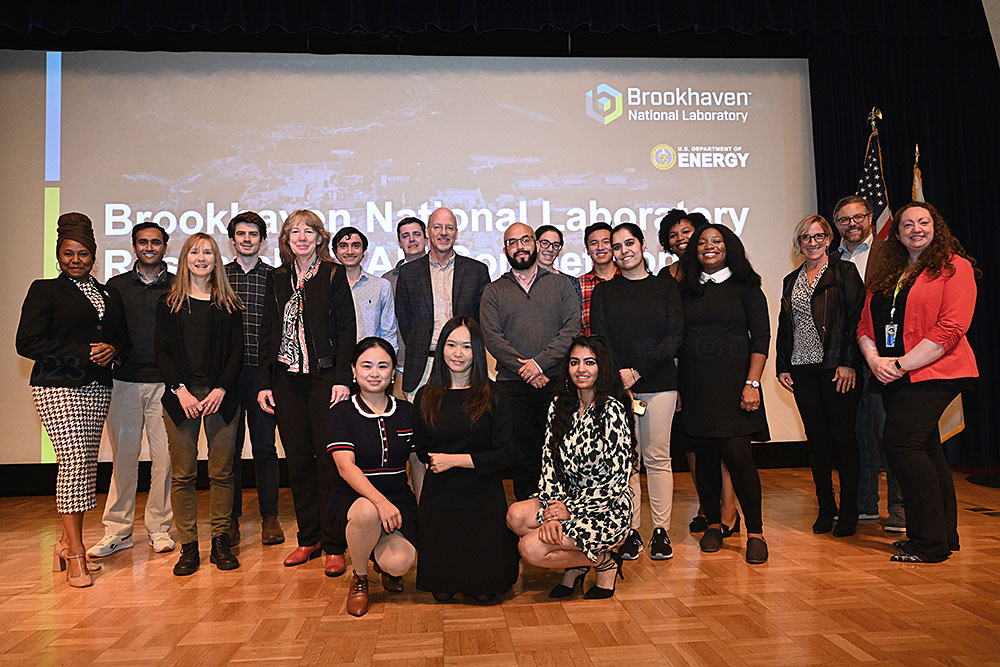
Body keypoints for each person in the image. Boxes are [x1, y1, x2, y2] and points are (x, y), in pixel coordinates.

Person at [858, 201, 979, 563]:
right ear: (896, 234)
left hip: (935, 371)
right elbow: (865, 325)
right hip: (894, 373)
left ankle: (928, 543)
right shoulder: (889, 272)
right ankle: (944, 536)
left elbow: (952, 327)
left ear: (935, 227)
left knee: (901, 443)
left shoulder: (954, 268)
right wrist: (875, 360)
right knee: (926, 448)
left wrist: (900, 365)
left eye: (923, 222)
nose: (916, 229)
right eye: (907, 224)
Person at [17, 212, 130, 588]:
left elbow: (123, 340)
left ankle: (65, 544)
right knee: (75, 461)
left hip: (97, 388)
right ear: (58, 255)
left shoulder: (109, 294)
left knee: (84, 465)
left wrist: (113, 350)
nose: (76, 260)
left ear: (94, 256)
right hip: (57, 386)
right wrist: (82, 352)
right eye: (69, 253)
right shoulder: (44, 290)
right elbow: (27, 342)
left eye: (83, 253)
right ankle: (77, 552)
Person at [257, 209, 356, 576]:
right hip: (286, 380)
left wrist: (344, 378)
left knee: (328, 462)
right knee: (297, 461)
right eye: (294, 231)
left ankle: (334, 543)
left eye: (309, 230)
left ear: (319, 238)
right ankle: (308, 538)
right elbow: (267, 331)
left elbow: (348, 330)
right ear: (286, 239)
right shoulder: (277, 277)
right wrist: (264, 383)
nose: (301, 236)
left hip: (324, 379)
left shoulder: (332, 274)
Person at [505, 336, 635, 599]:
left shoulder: (612, 410)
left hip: (604, 509)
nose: (581, 369)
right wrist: (554, 507)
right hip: (564, 501)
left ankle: (604, 562)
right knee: (515, 515)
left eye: (589, 362)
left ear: (602, 368)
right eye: (575, 363)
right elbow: (549, 462)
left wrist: (569, 510)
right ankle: (583, 561)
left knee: (530, 549)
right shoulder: (559, 405)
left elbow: (615, 480)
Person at [677, 223, 770, 564]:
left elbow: (760, 338)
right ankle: (714, 523)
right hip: (696, 386)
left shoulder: (747, 286)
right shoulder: (685, 290)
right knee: (704, 460)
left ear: (729, 246)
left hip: (736, 387)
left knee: (739, 458)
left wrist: (753, 383)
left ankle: (756, 532)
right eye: (702, 242)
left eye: (716, 241)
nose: (708, 246)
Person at [590, 222, 683, 560]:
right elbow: (601, 341)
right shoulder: (604, 292)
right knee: (627, 463)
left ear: (643, 245)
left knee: (657, 457)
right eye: (617, 246)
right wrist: (619, 379)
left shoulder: (666, 288)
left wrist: (638, 371)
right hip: (618, 388)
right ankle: (629, 531)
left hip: (659, 384)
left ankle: (661, 531)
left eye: (629, 243)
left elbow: (674, 337)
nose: (624, 250)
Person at [155, 233, 243, 576]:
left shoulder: (229, 304)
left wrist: (221, 388)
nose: (201, 257)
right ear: (185, 258)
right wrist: (181, 390)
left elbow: (237, 352)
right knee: (183, 474)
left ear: (216, 259)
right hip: (181, 398)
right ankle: (189, 546)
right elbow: (161, 351)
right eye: (195, 252)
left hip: (222, 396)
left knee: (222, 473)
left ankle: (220, 541)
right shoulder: (168, 303)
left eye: (208, 252)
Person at [413, 316, 519, 602]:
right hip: (441, 501)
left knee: (485, 595)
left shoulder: (494, 394)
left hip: (482, 497)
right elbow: (422, 451)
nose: (457, 354)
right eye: (451, 345)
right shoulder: (425, 396)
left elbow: (507, 455)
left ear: (478, 351)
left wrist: (455, 460)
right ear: (441, 349)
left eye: (466, 347)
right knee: (442, 594)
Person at [89, 221, 175, 560]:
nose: (149, 248)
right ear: (134, 246)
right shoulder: (116, 286)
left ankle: (160, 528)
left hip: (165, 384)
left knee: (164, 461)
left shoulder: (177, 285)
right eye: (143, 242)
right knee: (123, 459)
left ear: (164, 247)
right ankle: (118, 530)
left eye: (155, 242)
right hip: (124, 380)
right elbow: (109, 332)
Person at [776, 215, 865, 536]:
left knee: (843, 439)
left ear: (829, 239)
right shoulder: (791, 279)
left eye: (817, 237)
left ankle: (850, 510)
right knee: (817, 441)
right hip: (802, 369)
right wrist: (782, 365)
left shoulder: (844, 272)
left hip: (836, 368)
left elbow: (855, 320)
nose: (811, 243)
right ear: (798, 244)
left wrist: (848, 362)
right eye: (805, 238)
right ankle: (826, 507)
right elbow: (786, 325)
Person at [480, 222, 581, 500]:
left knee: (561, 454)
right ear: (505, 250)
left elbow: (571, 330)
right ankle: (527, 525)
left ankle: (561, 520)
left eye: (525, 240)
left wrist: (539, 364)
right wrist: (527, 369)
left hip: (556, 383)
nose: (520, 247)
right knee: (523, 459)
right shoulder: (494, 291)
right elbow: (492, 337)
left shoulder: (561, 285)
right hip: (512, 387)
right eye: (513, 242)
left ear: (536, 244)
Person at [656, 209, 738, 535]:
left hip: (716, 367)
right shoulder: (666, 276)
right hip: (680, 367)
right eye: (673, 235)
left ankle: (729, 508)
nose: (680, 239)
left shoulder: (716, 272)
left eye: (686, 232)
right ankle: (707, 505)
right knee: (693, 442)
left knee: (723, 440)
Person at [327, 338, 417, 617]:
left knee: (400, 563)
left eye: (383, 366)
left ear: (393, 373)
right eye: (366, 366)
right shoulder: (341, 413)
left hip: (398, 498)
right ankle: (360, 576)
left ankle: (382, 560)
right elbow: (345, 468)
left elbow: (417, 465)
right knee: (367, 513)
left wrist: (426, 508)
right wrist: (380, 502)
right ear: (353, 370)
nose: (374, 373)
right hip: (355, 499)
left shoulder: (407, 412)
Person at [833, 195, 902, 530]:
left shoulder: (892, 253)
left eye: (858, 217)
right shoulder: (830, 261)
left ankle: (900, 507)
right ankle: (865, 502)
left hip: (886, 356)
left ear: (871, 218)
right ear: (837, 225)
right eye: (844, 220)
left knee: (891, 431)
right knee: (858, 432)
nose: (852, 225)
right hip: (847, 359)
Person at [225, 211, 283, 547]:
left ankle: (270, 517)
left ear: (262, 240)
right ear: (232, 240)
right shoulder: (219, 275)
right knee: (228, 450)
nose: (247, 239)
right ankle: (230, 520)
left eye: (253, 234)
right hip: (229, 379)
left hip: (264, 376)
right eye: (241, 234)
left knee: (265, 448)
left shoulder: (275, 277)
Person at [394, 207, 490, 400]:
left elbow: (481, 321)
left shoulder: (476, 271)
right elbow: (405, 322)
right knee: (423, 426)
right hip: (424, 366)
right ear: (428, 232)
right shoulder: (409, 273)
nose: (443, 233)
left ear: (456, 234)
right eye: (438, 227)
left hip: (464, 365)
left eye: (449, 228)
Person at [333, 226, 397, 351]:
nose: (350, 251)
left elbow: (388, 332)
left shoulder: (382, 286)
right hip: (336, 362)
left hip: (371, 361)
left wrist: (387, 362)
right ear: (336, 252)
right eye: (343, 246)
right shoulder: (327, 287)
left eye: (356, 246)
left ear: (364, 252)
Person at [382, 216, 428, 376]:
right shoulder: (387, 280)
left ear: (426, 239)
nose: (412, 239)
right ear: (399, 243)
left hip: (435, 360)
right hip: (400, 363)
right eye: (405, 236)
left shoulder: (439, 274)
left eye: (416, 234)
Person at [577, 222, 620, 335]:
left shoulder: (628, 277)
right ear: (587, 250)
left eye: (606, 242)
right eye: (594, 243)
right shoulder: (578, 285)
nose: (600, 248)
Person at [535, 224, 582, 302]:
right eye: (545, 243)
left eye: (556, 245)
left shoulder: (571, 282)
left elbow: (575, 313)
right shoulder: (524, 280)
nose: (550, 249)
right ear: (536, 245)